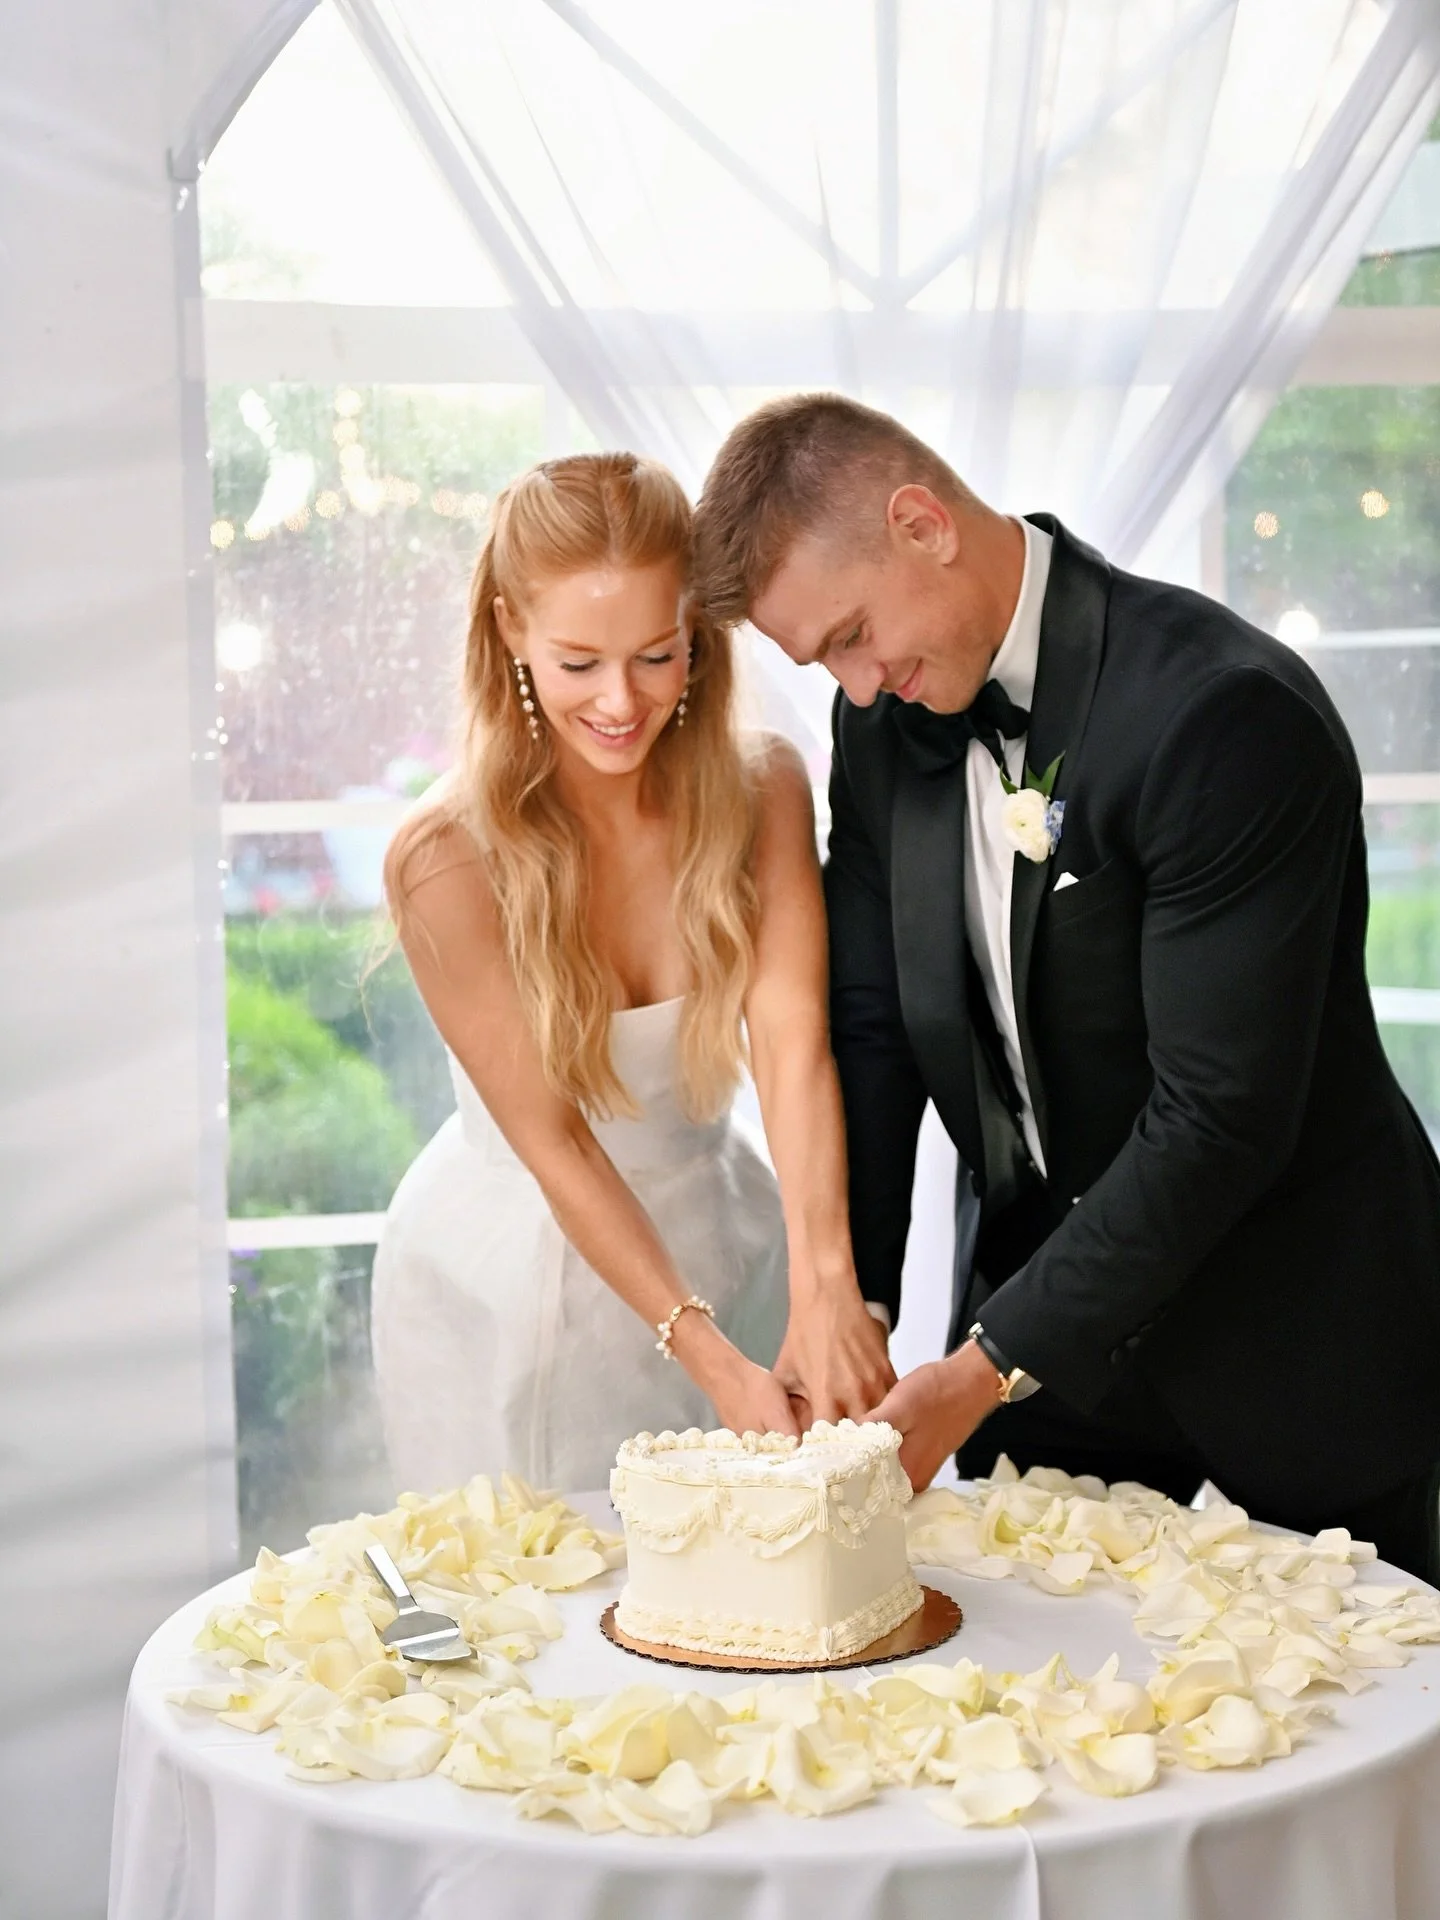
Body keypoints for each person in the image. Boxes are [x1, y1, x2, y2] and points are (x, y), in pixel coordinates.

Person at [693, 392, 1440, 1583]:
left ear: (921, 523)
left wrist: (983, 1367)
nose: (858, 683)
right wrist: (857, 1307)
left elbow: (1218, 1120)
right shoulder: (884, 726)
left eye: (848, 635)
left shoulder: (1222, 715)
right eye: (823, 662)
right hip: (1054, 1359)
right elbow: (876, 1029)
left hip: (1300, 1333)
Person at [371, 451, 892, 1495]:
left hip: (722, 1229)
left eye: (658, 655)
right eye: (578, 664)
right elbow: (555, 1142)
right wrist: (708, 1357)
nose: (622, 702)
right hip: (511, 1265)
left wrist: (824, 1279)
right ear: (511, 627)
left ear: (697, 628)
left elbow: (792, 1046)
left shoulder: (764, 789)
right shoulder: (443, 858)